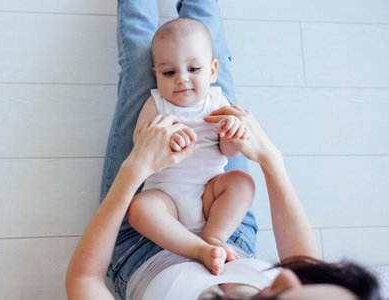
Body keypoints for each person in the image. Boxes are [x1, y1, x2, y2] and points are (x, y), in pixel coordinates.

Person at [65, 1, 381, 299]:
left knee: (138, 60)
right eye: (170, 73)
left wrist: (139, 166)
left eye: (282, 295)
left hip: (148, 235)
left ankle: (203, 244)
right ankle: (210, 241)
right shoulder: (212, 100)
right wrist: (263, 154)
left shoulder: (160, 100)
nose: (284, 275)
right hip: (223, 225)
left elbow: (83, 279)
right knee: (206, 40)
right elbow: (228, 152)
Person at [127, 17, 255, 275]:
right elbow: (139, 141)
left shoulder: (218, 101)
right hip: (166, 198)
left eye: (194, 69)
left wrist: (232, 133)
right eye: (169, 73)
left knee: (242, 181)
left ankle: (214, 238)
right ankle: (198, 249)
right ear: (156, 75)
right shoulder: (157, 103)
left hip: (210, 193)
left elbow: (229, 153)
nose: (181, 79)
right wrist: (164, 138)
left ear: (212, 70)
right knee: (139, 207)